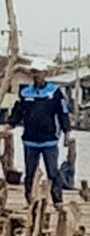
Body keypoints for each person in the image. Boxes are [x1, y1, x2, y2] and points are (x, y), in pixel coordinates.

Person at [1, 59, 71, 204]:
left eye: (39, 72)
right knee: (30, 173)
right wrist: (9, 126)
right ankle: (30, 200)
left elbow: (63, 113)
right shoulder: (25, 92)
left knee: (53, 172)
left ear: (45, 73)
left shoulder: (54, 92)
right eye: (34, 72)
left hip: (49, 139)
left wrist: (67, 132)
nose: (36, 75)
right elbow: (17, 112)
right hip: (30, 140)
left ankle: (57, 201)